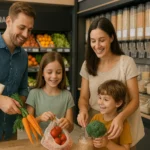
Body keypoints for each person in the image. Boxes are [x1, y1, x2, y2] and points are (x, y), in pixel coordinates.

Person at [77, 17, 144, 149]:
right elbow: (84, 97)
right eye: (93, 41)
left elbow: (135, 100)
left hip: (121, 124)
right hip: (97, 125)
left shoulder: (126, 63)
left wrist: (119, 118)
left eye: (102, 40)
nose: (97, 46)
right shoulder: (87, 65)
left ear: (111, 38)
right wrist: (83, 109)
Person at [0, 2, 36, 140]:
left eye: (30, 29)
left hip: (10, 132)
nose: (26, 34)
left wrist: (21, 103)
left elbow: (23, 88)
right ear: (8, 21)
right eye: (21, 27)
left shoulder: (23, 56)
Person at [26, 52, 74, 133]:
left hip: (59, 142)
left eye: (58, 72)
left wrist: (67, 124)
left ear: (63, 73)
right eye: (49, 72)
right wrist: (40, 118)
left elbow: (70, 128)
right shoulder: (34, 94)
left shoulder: (67, 96)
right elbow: (27, 125)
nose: (54, 76)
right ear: (42, 73)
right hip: (38, 143)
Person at [91, 80, 132, 150]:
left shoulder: (123, 124)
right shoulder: (96, 118)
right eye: (100, 97)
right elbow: (90, 138)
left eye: (106, 99)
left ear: (118, 103)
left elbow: (126, 149)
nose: (100, 102)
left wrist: (107, 143)